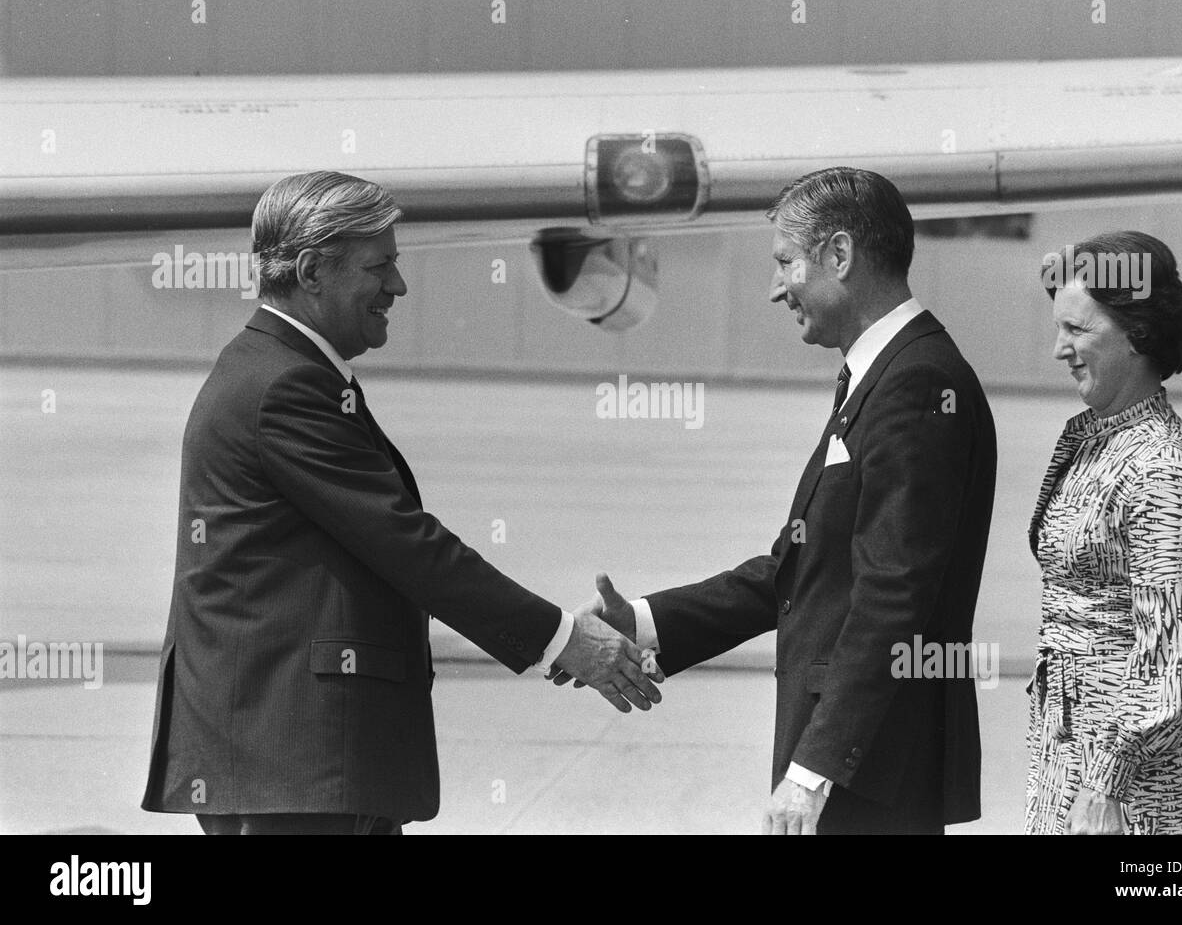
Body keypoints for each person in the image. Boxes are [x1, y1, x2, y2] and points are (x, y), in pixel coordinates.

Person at [141, 171, 662, 835]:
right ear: (310, 272)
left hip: (300, 764)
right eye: (379, 266)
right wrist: (561, 639)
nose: (398, 286)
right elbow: (407, 544)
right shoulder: (285, 387)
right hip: (291, 764)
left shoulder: (279, 370)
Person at [555, 167, 998, 834]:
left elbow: (893, 596)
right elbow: (797, 573)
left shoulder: (918, 383)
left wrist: (813, 771)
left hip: (871, 775)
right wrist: (643, 621)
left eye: (785, 262)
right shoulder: (883, 376)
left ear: (839, 256)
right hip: (862, 769)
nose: (773, 289)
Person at [1026, 230, 1182, 834]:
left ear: (1138, 336)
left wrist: (1104, 783)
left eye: (1078, 332)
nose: (1060, 348)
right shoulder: (1104, 437)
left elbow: (1164, 648)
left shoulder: (1162, 466)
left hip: (1138, 783)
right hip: (1072, 750)